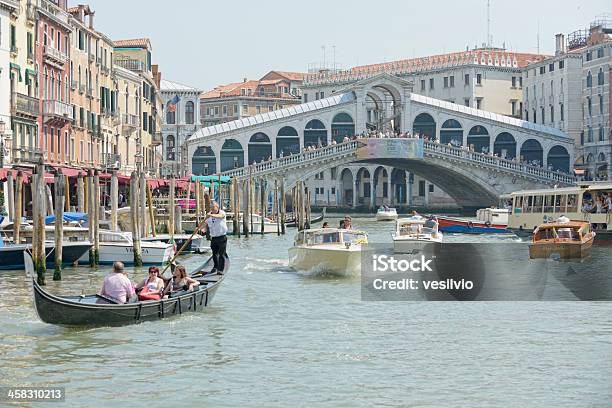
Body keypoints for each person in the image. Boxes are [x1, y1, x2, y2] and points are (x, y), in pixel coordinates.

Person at [202, 201, 228, 274]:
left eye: (213, 207)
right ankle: (215, 267)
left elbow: (221, 217)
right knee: (214, 253)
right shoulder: (209, 216)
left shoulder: (222, 213)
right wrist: (202, 228)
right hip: (213, 238)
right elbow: (205, 224)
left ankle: (220, 269)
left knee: (222, 254)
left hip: (222, 237)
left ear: (217, 207)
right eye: (211, 208)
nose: (212, 209)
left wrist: (211, 215)